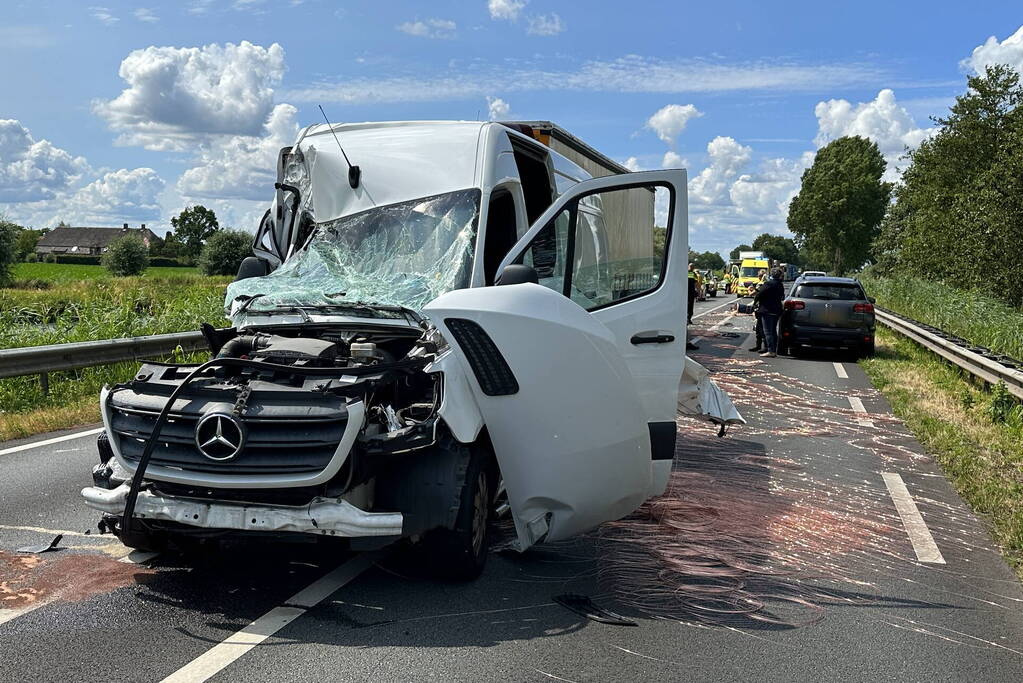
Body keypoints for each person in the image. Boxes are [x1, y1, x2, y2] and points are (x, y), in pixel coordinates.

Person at [754, 267, 785, 358]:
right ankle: (773, 350)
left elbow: (759, 294)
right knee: (773, 331)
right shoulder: (780, 285)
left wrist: (755, 303)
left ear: (772, 274)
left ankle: (771, 351)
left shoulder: (769, 284)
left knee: (767, 332)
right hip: (776, 310)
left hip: (767, 310)